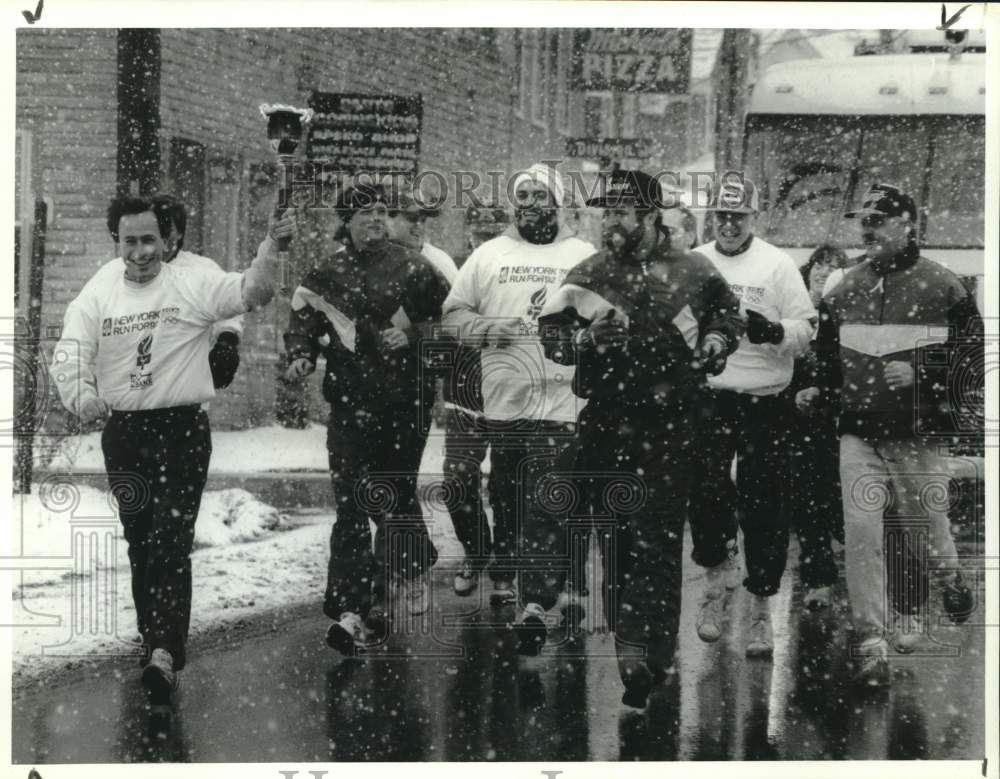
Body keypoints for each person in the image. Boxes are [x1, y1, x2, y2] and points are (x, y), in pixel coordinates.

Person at [49, 195, 294, 701]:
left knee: (169, 537)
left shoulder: (190, 280)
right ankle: (152, 637)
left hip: (180, 431)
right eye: (129, 240)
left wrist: (274, 244)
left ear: (166, 240)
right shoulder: (100, 291)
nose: (140, 251)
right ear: (116, 240)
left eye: (149, 240)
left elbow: (254, 290)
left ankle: (164, 648)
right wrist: (82, 395)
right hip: (125, 435)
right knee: (141, 539)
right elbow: (70, 349)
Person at [538, 168, 744, 708]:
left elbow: (727, 314)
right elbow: (552, 334)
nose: (610, 224)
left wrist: (719, 339)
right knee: (614, 536)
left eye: (620, 214)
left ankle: (649, 655)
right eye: (605, 214)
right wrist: (584, 337)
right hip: (608, 417)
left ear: (651, 217)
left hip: (674, 420)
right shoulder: (590, 271)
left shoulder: (694, 270)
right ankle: (628, 645)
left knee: (656, 536)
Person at [799, 183, 982, 687]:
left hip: (916, 435)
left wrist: (923, 372)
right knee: (862, 539)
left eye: (878, 221)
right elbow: (824, 355)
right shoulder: (843, 288)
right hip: (858, 433)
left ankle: (951, 578)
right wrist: (816, 387)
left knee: (927, 531)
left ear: (908, 226)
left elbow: (975, 361)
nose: (868, 229)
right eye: (863, 221)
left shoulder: (946, 287)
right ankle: (871, 645)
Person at [283, 182, 451, 656]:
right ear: (347, 221)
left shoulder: (417, 270)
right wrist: (298, 356)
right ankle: (351, 609)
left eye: (382, 211)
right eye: (365, 212)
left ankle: (385, 593)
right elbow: (302, 323)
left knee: (393, 497)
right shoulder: (325, 275)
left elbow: (452, 322)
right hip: (350, 405)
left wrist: (415, 335)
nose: (376, 219)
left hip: (404, 403)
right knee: (352, 506)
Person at [441, 163, 596, 655]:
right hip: (504, 400)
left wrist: (582, 339)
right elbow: (453, 314)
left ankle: (536, 602)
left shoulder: (582, 255)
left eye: (538, 195)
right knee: (507, 496)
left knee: (545, 497)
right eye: (522, 195)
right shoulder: (489, 254)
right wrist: (488, 330)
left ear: (557, 202)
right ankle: (513, 576)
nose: (529, 203)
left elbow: (607, 317)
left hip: (562, 398)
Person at [687, 173, 815, 658]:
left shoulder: (777, 265)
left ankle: (762, 607)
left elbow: (807, 329)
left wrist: (774, 331)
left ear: (753, 218)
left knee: (765, 501)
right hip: (712, 395)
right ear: (711, 216)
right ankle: (715, 590)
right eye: (721, 215)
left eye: (738, 217)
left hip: (766, 398)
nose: (729, 225)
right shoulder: (697, 262)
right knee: (706, 494)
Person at [783, 245, 856, 609]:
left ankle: (861, 576)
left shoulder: (847, 311)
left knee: (843, 502)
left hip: (840, 421)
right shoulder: (792, 309)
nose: (825, 272)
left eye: (834, 266)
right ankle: (818, 579)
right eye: (820, 265)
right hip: (800, 423)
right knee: (809, 499)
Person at [151, 193, 243, 389]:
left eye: (169, 229)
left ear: (181, 233)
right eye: (157, 229)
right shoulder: (126, 272)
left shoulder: (201, 270)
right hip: (139, 385)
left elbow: (227, 307)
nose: (163, 236)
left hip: (187, 384)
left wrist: (226, 342)